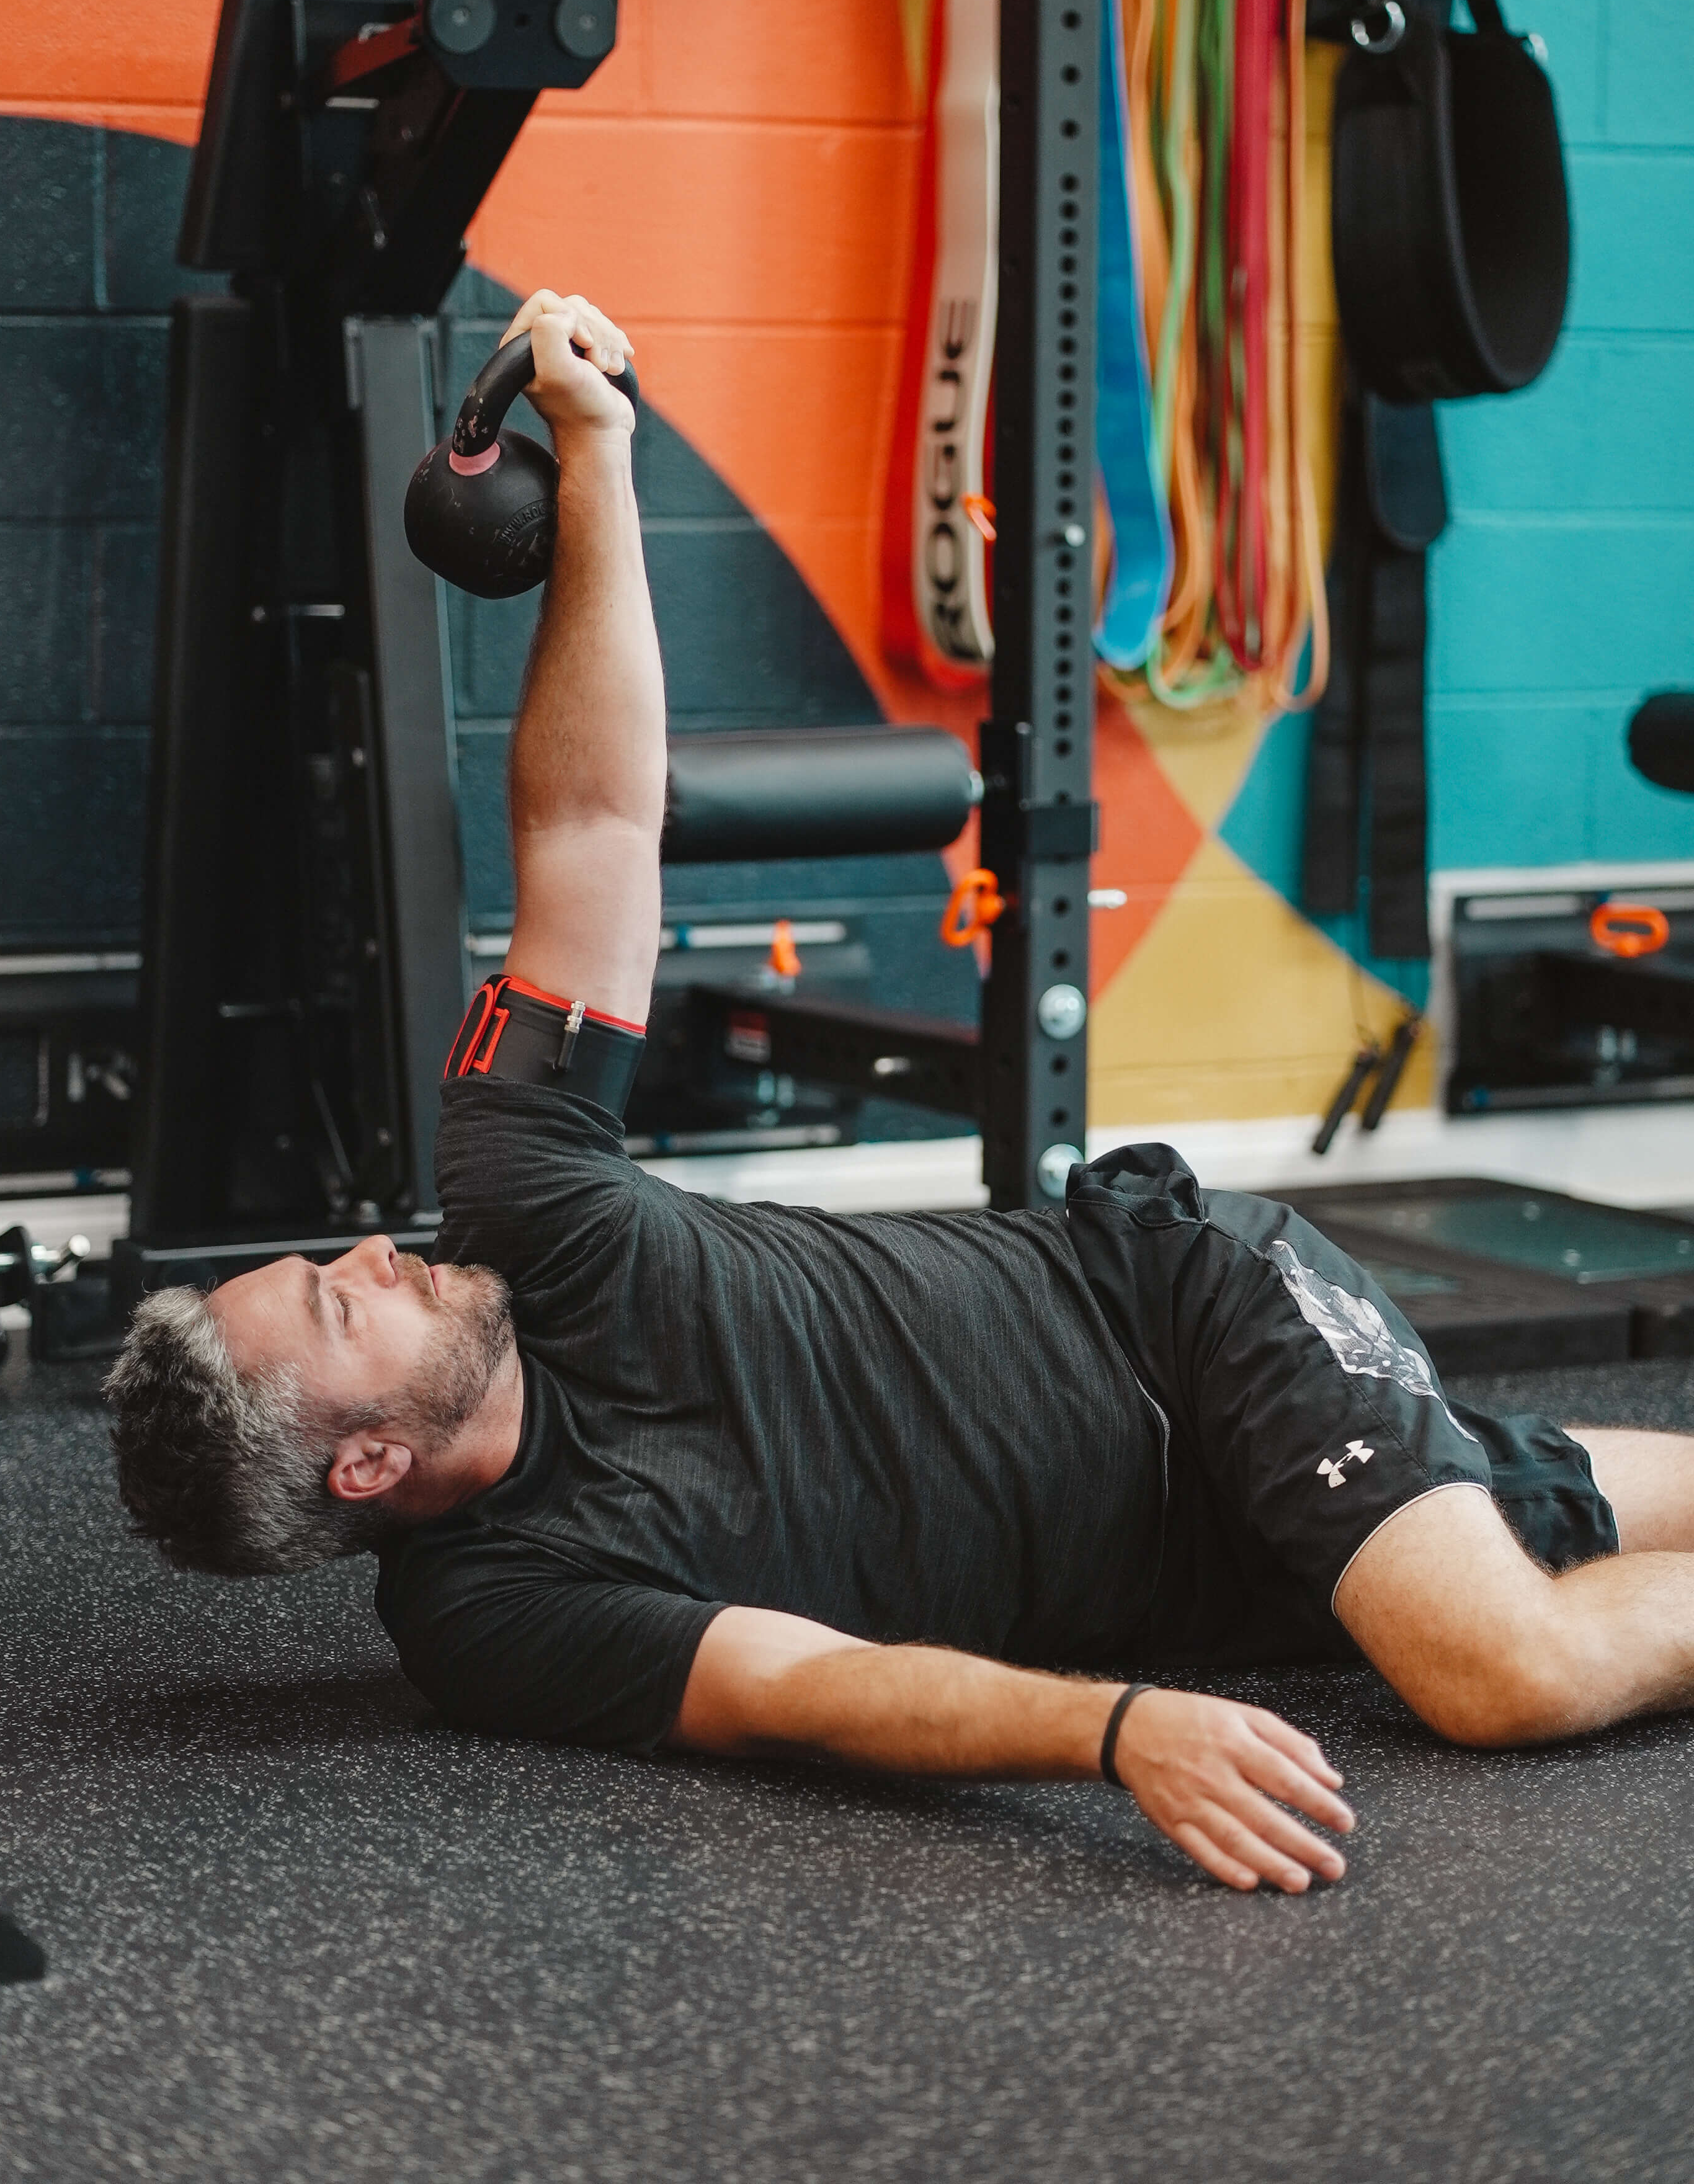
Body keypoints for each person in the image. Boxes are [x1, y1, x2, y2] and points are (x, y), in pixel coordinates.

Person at [106, 290, 1694, 1897]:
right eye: (333, 1303)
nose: (371, 1254)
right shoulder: (490, 1619)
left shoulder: (527, 1198)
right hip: (1190, 1565)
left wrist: (596, 466)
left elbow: (590, 826)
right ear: (364, 1468)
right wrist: (1112, 1729)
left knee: (1498, 1665)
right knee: (1527, 1498)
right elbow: (799, 1688)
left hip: (1182, 1319)